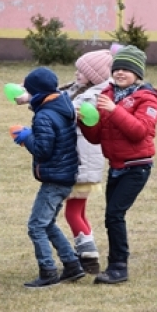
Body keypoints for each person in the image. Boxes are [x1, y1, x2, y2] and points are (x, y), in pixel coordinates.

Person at [79, 45, 157, 285]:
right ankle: (115, 265)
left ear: (138, 74)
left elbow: (140, 131)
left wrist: (114, 110)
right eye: (117, 69)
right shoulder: (107, 94)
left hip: (137, 166)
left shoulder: (148, 98)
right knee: (111, 216)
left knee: (114, 215)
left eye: (126, 69)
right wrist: (86, 121)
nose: (120, 73)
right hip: (116, 165)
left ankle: (119, 267)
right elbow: (96, 137)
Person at [11, 66, 86, 288]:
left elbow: (43, 150)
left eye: (28, 90)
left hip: (55, 178)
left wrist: (26, 137)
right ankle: (72, 265)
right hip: (64, 175)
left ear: (36, 92)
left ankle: (48, 271)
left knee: (36, 226)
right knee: (48, 223)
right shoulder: (61, 105)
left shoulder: (44, 115)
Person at [59, 49, 112, 275]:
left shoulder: (90, 98)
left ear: (94, 76)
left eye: (81, 71)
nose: (76, 74)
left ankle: (88, 255)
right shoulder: (82, 91)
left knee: (72, 213)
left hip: (81, 162)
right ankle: (86, 251)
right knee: (78, 211)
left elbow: (64, 111)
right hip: (85, 162)